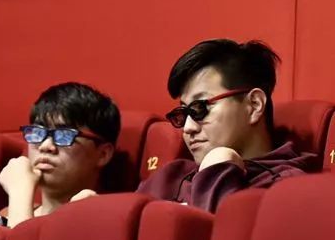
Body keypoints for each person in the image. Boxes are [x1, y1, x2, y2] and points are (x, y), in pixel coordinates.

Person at [135, 39, 315, 212]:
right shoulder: (169, 177)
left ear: (254, 105)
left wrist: (218, 169)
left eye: (199, 108)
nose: (188, 128)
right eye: (183, 114)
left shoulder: (285, 191)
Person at [0, 82, 119, 228]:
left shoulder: (101, 222)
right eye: (38, 132)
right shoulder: (5, 215)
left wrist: (20, 193)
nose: (46, 146)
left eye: (64, 135)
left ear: (103, 154)